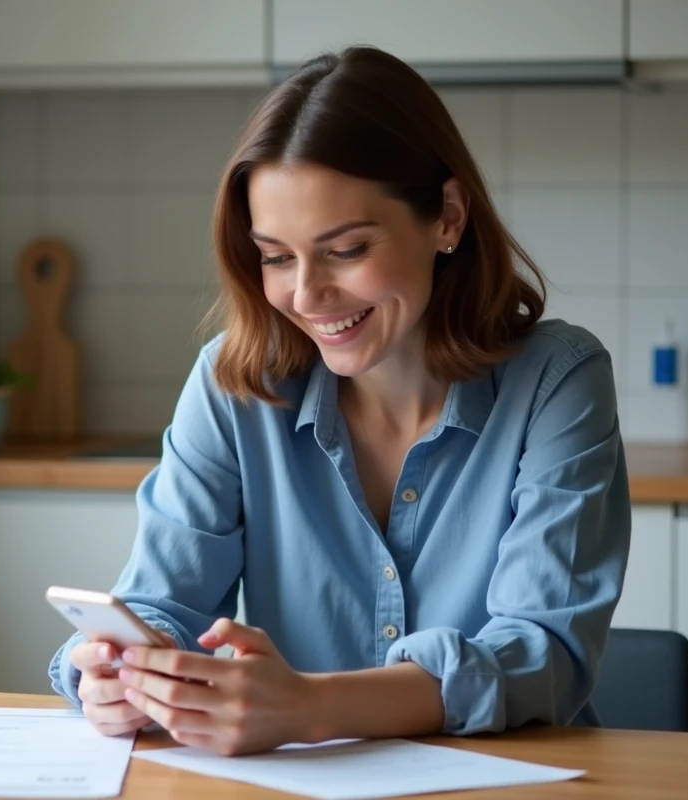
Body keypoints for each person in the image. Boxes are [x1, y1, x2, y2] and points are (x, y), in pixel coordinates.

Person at [47, 46, 630, 756]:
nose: (305, 294)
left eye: (346, 250)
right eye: (275, 256)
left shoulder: (556, 381)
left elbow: (544, 654)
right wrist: (119, 675)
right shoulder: (234, 383)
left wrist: (312, 706)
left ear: (446, 217)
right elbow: (160, 605)